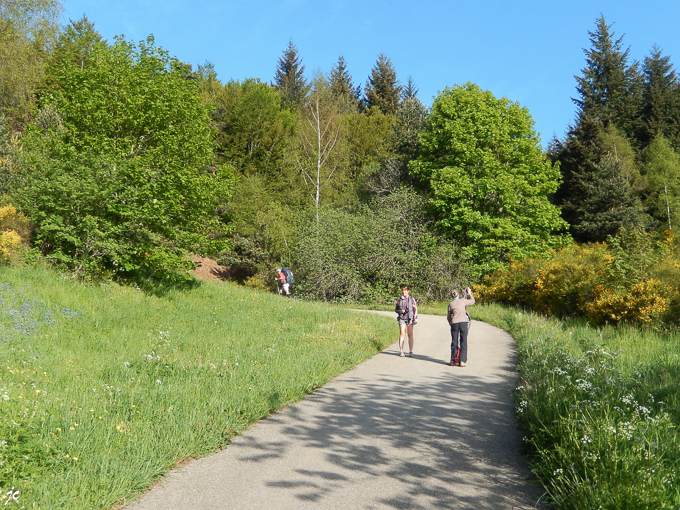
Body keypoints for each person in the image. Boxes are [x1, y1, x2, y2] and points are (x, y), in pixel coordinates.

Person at [447, 287, 475, 367]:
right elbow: (473, 301)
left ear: (451, 296)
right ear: (458, 295)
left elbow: (448, 316)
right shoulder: (462, 301)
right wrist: (469, 293)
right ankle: (462, 361)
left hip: (454, 323)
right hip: (463, 323)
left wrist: (451, 323)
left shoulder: (450, 304)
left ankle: (452, 360)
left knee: (454, 342)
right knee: (463, 342)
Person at [395, 284, 418, 357]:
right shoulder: (399, 299)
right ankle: (401, 350)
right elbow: (396, 309)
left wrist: (415, 318)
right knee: (402, 333)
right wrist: (400, 311)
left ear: (408, 291)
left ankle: (411, 351)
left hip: (410, 318)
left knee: (410, 334)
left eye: (405, 290)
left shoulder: (412, 299)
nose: (403, 291)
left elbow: (415, 309)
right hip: (402, 318)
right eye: (402, 290)